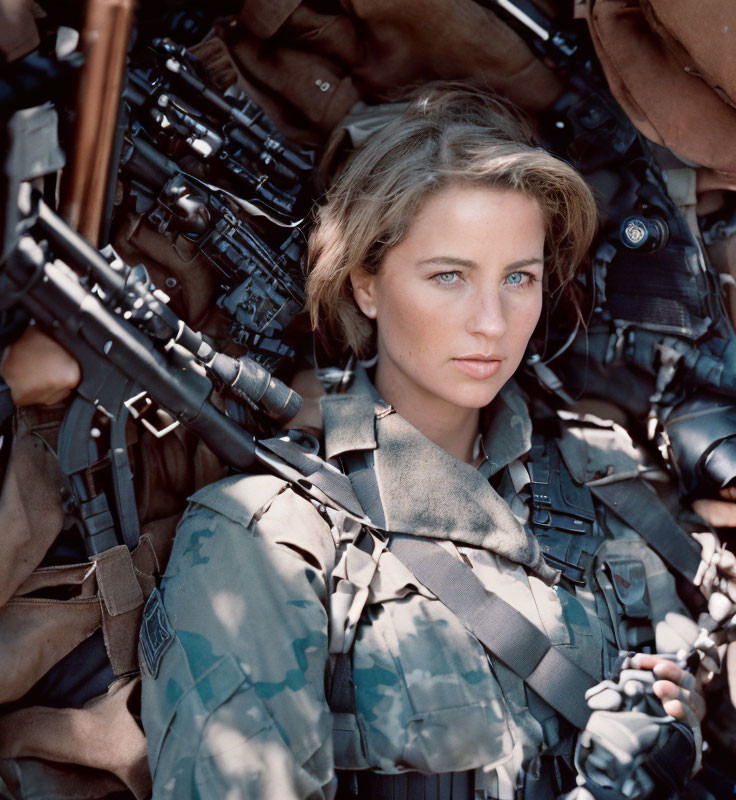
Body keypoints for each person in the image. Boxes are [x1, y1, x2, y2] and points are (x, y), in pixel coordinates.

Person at [139, 85, 711, 800]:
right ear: (366, 284)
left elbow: (706, 641)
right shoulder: (271, 539)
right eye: (449, 276)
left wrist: (674, 715)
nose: (491, 323)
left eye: (519, 278)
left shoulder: (603, 473)